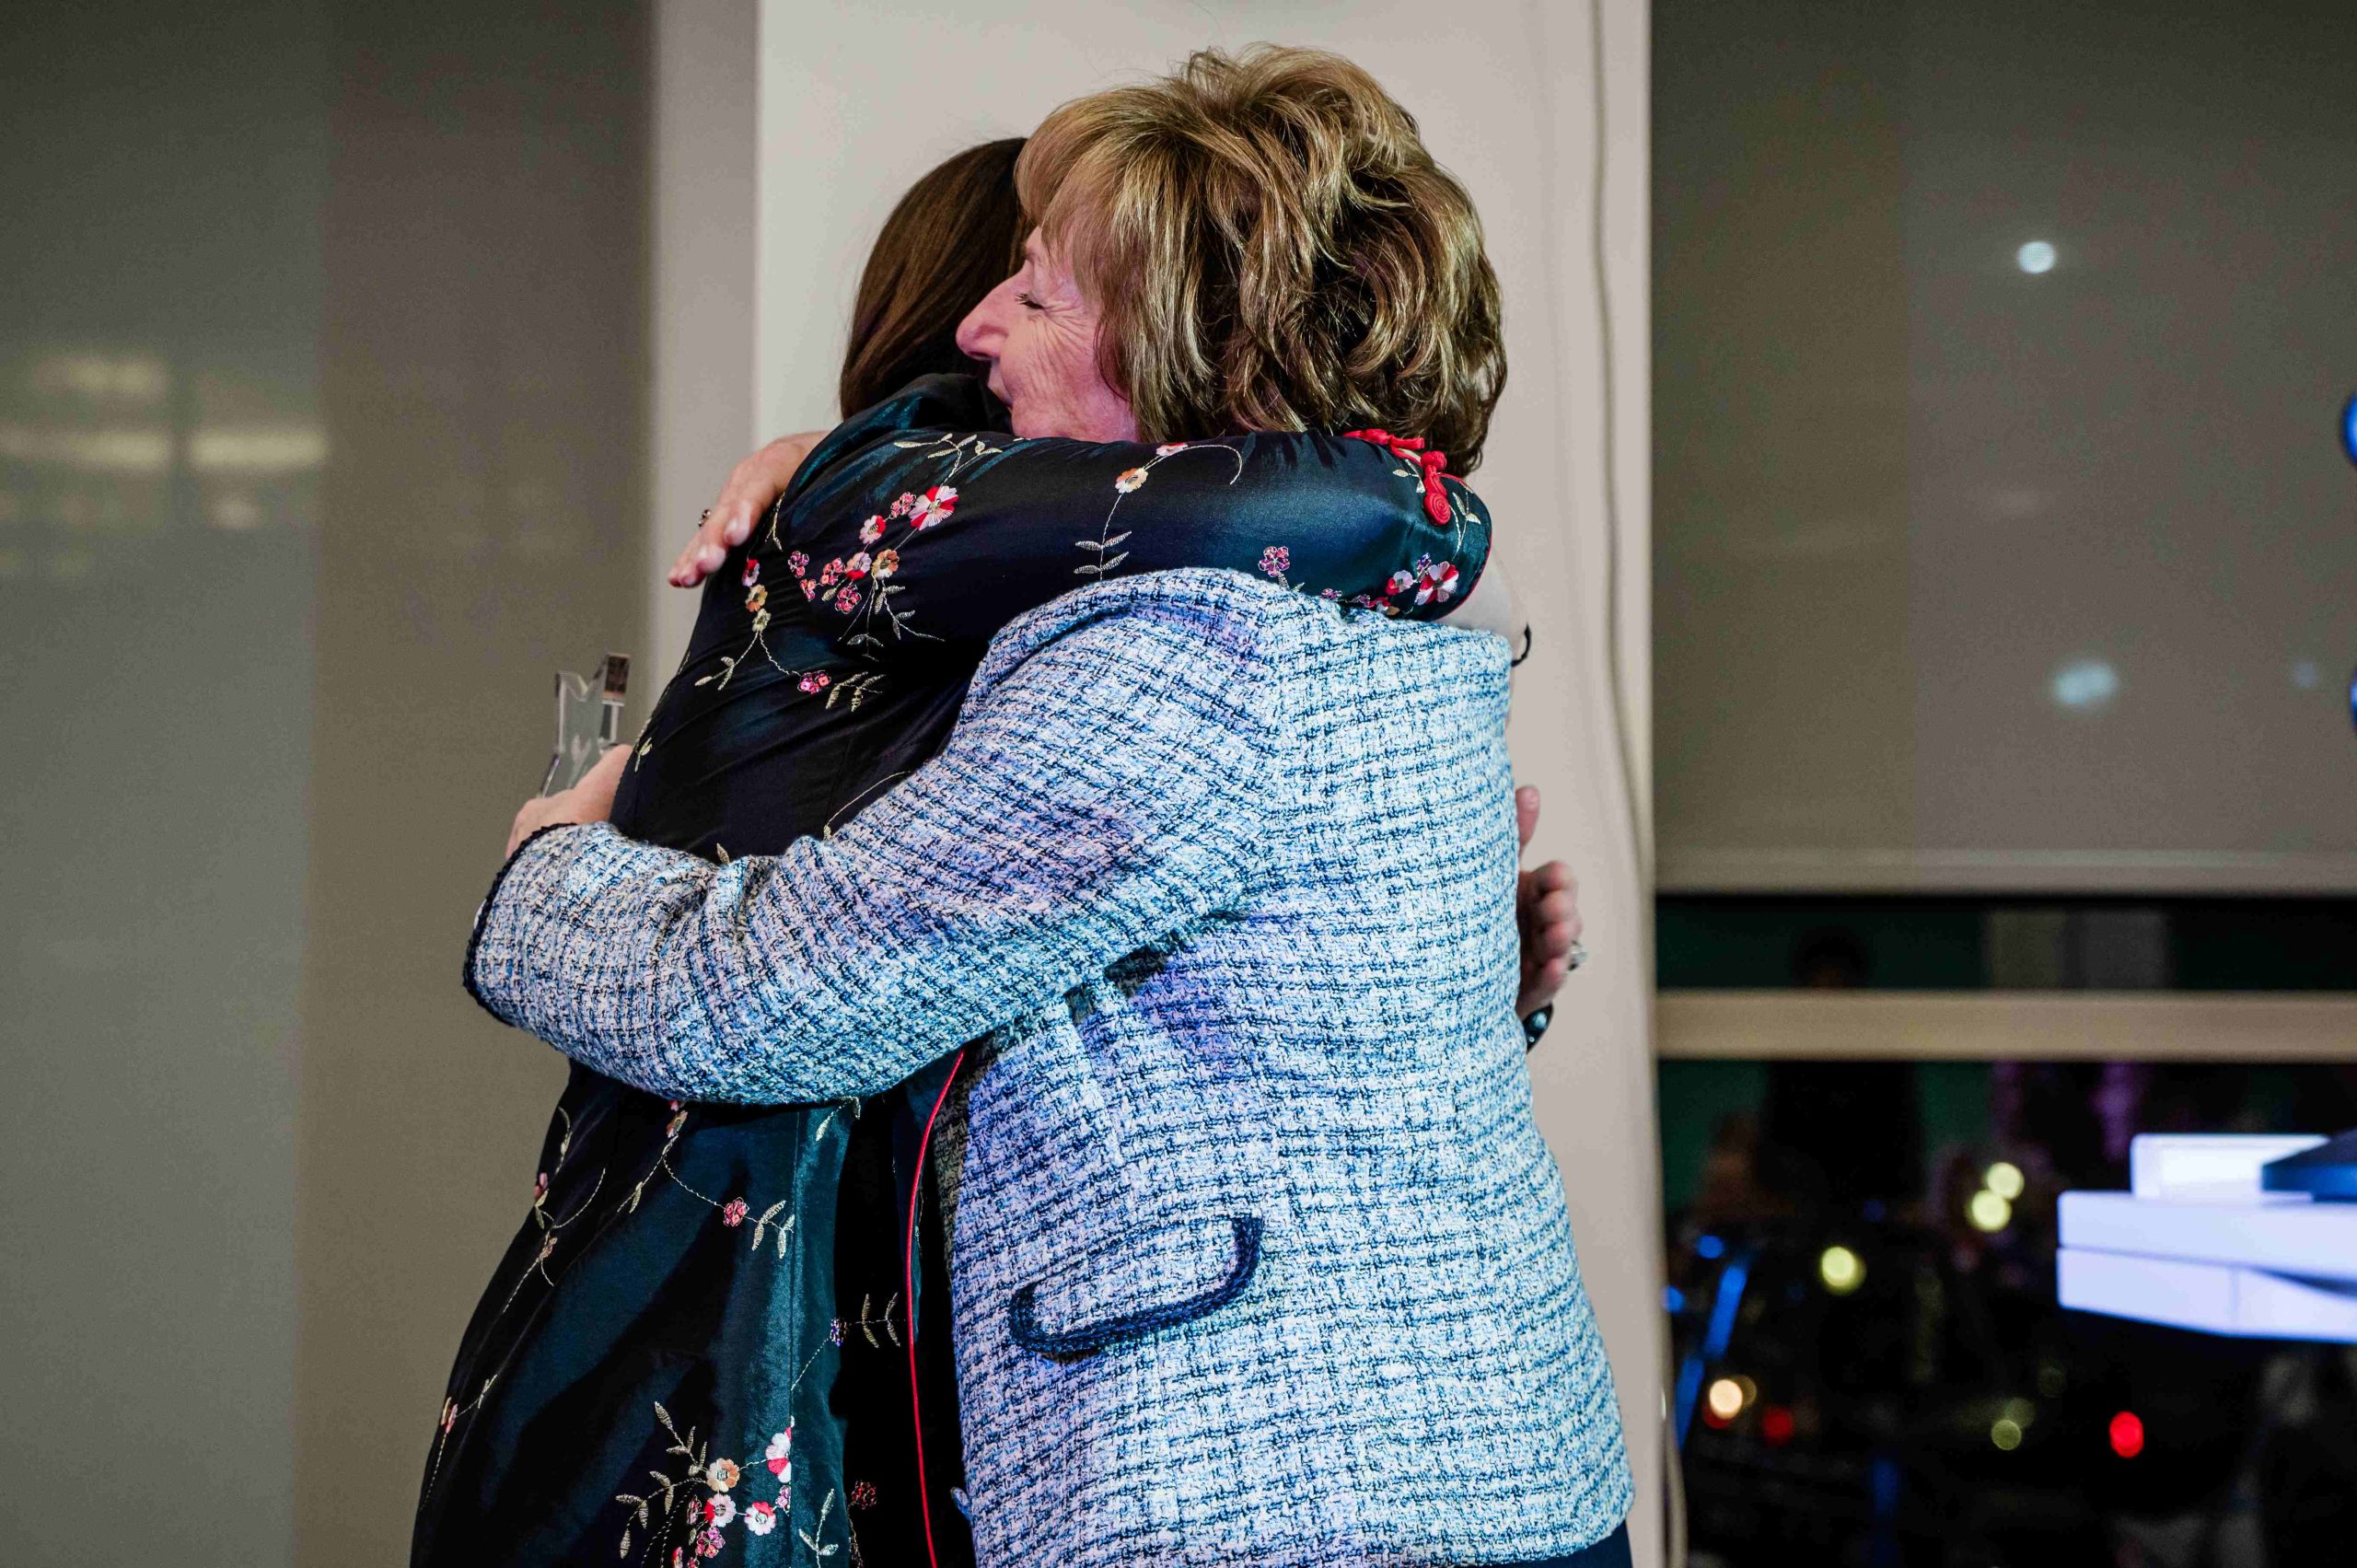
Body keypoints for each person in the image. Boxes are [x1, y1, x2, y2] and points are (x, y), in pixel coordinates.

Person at [469, 46, 1631, 1568]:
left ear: (1184, 345)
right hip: (1465, 1469)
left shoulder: (1193, 655)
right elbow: (1250, 1047)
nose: (974, 330)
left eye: (1034, 290)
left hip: (1291, 1509)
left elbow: (758, 997)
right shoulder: (1369, 622)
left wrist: (550, 866)